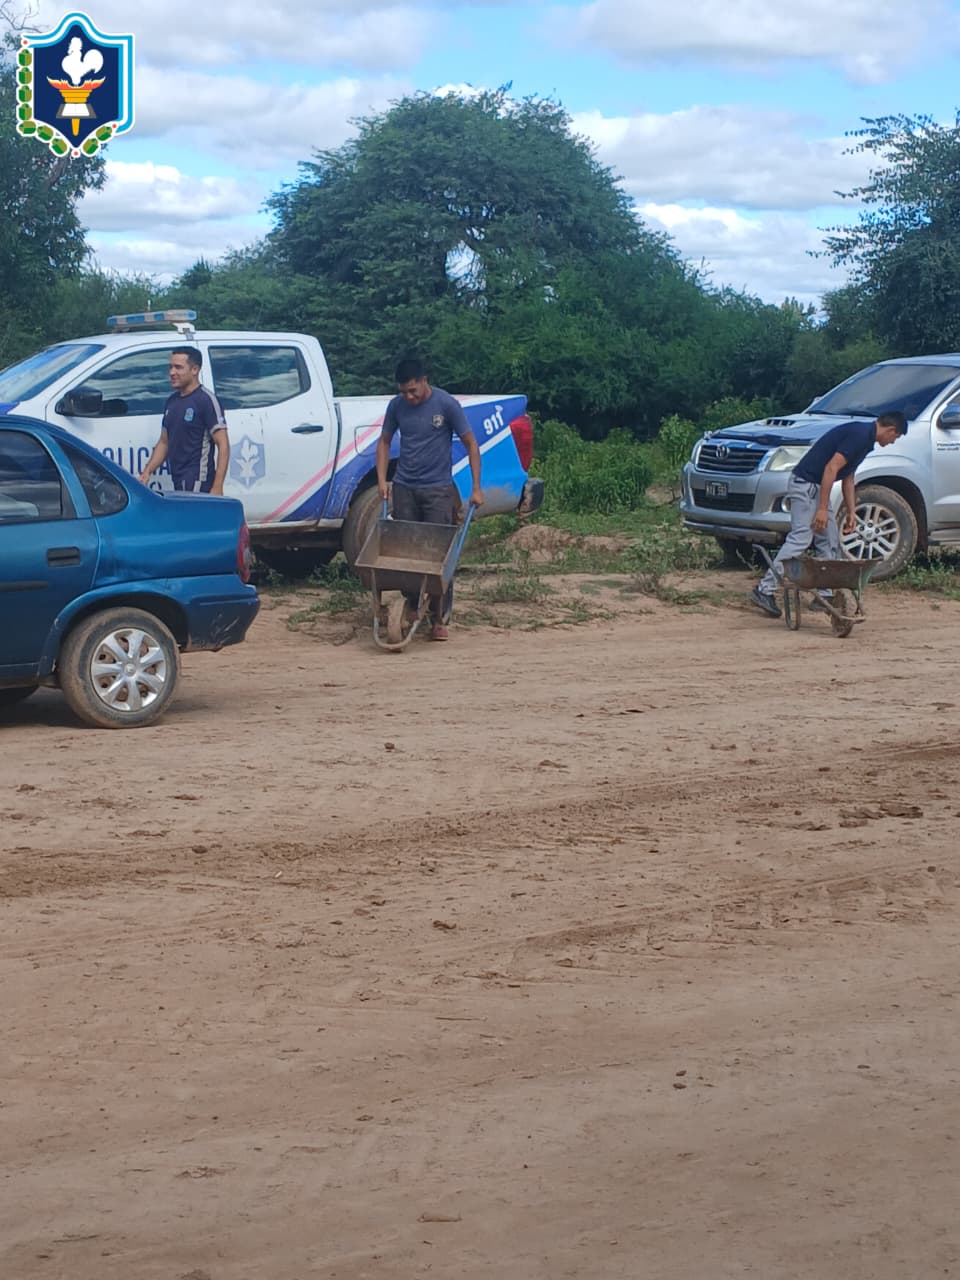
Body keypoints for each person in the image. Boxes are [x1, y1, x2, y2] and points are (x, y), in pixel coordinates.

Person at [750, 410, 908, 618]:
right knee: (801, 538)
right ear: (890, 429)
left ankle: (822, 597)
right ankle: (764, 590)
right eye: (894, 438)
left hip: (815, 487)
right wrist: (823, 509)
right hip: (805, 485)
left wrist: (852, 512)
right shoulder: (859, 435)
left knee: (829, 539)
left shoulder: (866, 440)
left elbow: (848, 477)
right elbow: (831, 469)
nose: (892, 442)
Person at [375, 356, 484, 641]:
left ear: (425, 381)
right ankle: (412, 604)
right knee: (405, 554)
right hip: (405, 487)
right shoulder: (396, 407)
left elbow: (471, 443)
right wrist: (382, 481)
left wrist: (476, 487)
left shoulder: (446, 404)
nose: (408, 397)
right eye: (403, 392)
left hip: (437, 490)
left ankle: (438, 617)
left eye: (413, 390)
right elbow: (384, 442)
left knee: (438, 556)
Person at [139, 347, 229, 495]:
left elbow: (223, 444)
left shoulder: (205, 400)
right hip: (178, 476)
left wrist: (218, 486)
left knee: (193, 518)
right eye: (170, 367)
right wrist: (147, 471)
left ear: (194, 370)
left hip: (198, 479)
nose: (172, 373)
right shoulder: (172, 402)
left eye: (178, 367)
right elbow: (164, 442)